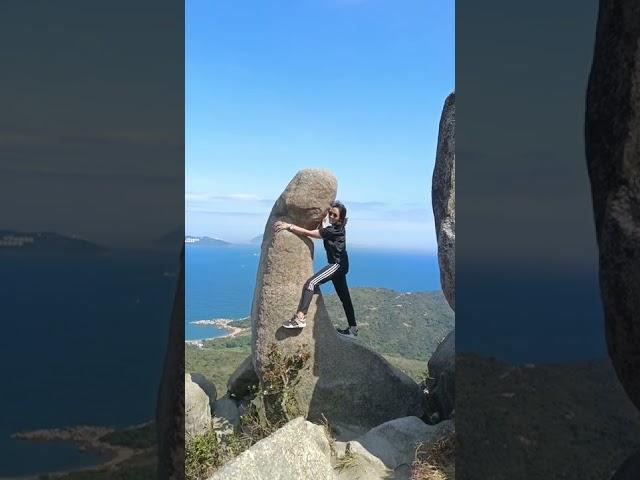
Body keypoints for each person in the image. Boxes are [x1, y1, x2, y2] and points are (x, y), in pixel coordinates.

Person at [273, 201, 358, 339]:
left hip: (337, 265)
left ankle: (300, 317)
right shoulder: (338, 227)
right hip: (342, 265)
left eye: (334, 215)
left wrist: (289, 226)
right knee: (345, 298)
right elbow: (324, 227)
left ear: (340, 219)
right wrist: (325, 219)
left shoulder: (333, 230)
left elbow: (310, 233)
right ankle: (353, 330)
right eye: (330, 213)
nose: (331, 216)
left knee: (311, 283)